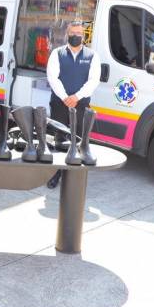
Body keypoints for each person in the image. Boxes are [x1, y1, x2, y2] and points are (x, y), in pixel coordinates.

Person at [45, 21, 101, 189]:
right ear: (67, 35)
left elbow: (93, 81)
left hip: (81, 105)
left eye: (79, 33)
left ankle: (74, 176)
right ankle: (56, 174)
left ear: (83, 36)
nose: (76, 36)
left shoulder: (92, 56)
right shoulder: (57, 53)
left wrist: (76, 97)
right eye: (72, 33)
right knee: (59, 140)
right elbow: (52, 77)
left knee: (79, 141)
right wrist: (65, 97)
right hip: (59, 104)